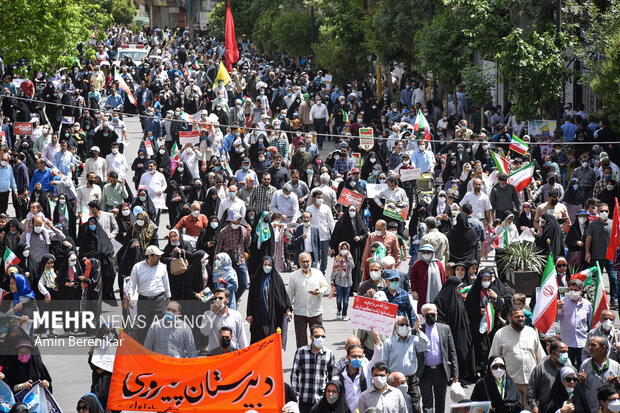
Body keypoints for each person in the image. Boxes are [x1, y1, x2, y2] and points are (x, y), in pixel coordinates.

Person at [490, 308, 546, 406]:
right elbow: (493, 358)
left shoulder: (531, 332)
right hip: (511, 383)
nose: (520, 319)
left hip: (531, 382)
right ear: (510, 319)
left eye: (522, 316)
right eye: (517, 317)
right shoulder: (500, 334)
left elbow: (540, 356)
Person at [382, 316, 430, 413]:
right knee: (395, 405)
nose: (405, 326)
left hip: (411, 379)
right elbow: (384, 361)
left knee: (415, 405)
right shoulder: (389, 342)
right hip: (394, 380)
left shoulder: (414, 339)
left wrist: (418, 330)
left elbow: (426, 345)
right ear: (396, 327)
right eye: (402, 324)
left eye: (407, 324)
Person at [433, 276, 476, 381]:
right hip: (451, 332)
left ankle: (464, 375)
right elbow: (439, 318)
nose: (460, 290)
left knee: (463, 352)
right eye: (458, 287)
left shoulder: (458, 297)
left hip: (462, 330)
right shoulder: (440, 299)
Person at [418, 303, 459, 413]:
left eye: (432, 314)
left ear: (436, 314)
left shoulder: (445, 329)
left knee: (440, 402)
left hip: (441, 371)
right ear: (423, 315)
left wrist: (455, 374)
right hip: (425, 372)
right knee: (427, 403)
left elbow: (452, 352)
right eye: (427, 315)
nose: (430, 316)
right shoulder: (418, 330)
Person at [126, 245, 171, 343]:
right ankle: (143, 350)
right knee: (143, 327)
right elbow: (132, 284)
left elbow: (166, 283)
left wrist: (168, 299)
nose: (159, 257)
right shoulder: (137, 267)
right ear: (150, 256)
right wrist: (130, 298)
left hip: (159, 301)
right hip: (144, 301)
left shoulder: (162, 267)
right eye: (157, 255)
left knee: (160, 326)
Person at [287, 252, 330, 349]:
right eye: (303, 262)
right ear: (299, 262)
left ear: (311, 261)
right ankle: (302, 360)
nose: (306, 264)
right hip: (300, 312)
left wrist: (319, 291)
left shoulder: (317, 273)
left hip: (315, 312)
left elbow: (325, 286)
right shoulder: (294, 276)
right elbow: (290, 294)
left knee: (318, 339)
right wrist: (288, 310)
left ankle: (318, 359)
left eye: (307, 261)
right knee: (301, 341)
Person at [246, 256, 292, 344]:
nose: (267, 267)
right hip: (258, 316)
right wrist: (249, 314)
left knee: (272, 341)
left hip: (273, 316)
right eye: (265, 264)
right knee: (258, 341)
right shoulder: (256, 280)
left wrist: (288, 310)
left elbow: (284, 296)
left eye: (269, 265)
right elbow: (251, 298)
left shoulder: (277, 279)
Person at [291, 325, 335, 413]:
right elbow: (295, 374)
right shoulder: (301, 352)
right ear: (311, 337)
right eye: (317, 336)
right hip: (305, 398)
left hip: (322, 399)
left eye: (323, 336)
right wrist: (295, 394)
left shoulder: (329, 354)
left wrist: (331, 395)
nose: (320, 338)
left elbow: (332, 377)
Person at [337, 331, 383, 412]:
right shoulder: (340, 374)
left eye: (360, 356)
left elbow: (377, 356)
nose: (357, 359)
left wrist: (376, 337)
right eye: (354, 356)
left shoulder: (367, 368)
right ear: (348, 357)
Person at [214, 210, 251, 303]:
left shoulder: (242, 229)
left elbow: (247, 244)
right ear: (230, 221)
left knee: (243, 284)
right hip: (228, 264)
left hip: (240, 260)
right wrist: (215, 261)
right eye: (235, 221)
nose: (237, 223)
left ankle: (235, 298)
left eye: (238, 221)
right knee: (230, 285)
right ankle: (231, 301)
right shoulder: (224, 232)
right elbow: (218, 248)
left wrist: (248, 234)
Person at [585, 202, 617, 307]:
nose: (604, 213)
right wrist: (587, 252)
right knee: (596, 280)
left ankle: (613, 299)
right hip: (596, 257)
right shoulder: (593, 225)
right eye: (602, 211)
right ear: (598, 212)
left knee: (613, 278)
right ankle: (595, 299)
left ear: (609, 212)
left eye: (606, 211)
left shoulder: (614, 224)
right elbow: (588, 239)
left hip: (611, 258)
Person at [330, 205, 368, 290]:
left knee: (355, 266)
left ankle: (354, 287)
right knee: (342, 267)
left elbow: (365, 234)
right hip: (343, 249)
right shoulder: (340, 222)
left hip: (355, 249)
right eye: (350, 210)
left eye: (353, 210)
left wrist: (360, 237)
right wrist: (332, 247)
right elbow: (335, 235)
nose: (352, 212)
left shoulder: (360, 222)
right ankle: (340, 286)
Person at [526, 340, 571, 413]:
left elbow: (574, 389)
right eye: (563, 352)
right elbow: (531, 390)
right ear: (553, 352)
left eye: (567, 352)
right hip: (546, 408)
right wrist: (534, 407)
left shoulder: (569, 368)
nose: (566, 354)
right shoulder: (540, 369)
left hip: (565, 409)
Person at [579, 336, 620, 413]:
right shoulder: (585, 364)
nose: (590, 348)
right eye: (589, 345)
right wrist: (581, 381)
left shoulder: (615, 365)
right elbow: (580, 388)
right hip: (591, 408)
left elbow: (618, 388)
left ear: (603, 348)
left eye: (594, 345)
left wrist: (616, 383)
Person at [558, 279, 592, 367]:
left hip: (582, 342)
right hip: (567, 342)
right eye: (571, 290)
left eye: (576, 290)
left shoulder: (587, 304)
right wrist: (557, 308)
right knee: (567, 368)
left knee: (583, 367)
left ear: (581, 291)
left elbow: (590, 322)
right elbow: (556, 318)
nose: (573, 292)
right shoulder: (562, 302)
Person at [409, 244, 446, 313]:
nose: (426, 254)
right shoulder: (417, 264)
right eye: (424, 252)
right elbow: (413, 279)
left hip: (436, 295)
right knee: (422, 313)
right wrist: (414, 291)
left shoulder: (438, 264)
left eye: (428, 252)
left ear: (432, 253)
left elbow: (443, 280)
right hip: (422, 295)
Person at [305, 190, 335, 275]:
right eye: (318, 197)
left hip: (325, 237)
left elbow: (331, 223)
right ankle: (313, 273)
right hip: (313, 237)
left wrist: (334, 236)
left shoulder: (326, 208)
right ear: (314, 198)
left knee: (324, 258)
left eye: (321, 197)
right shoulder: (309, 209)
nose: (320, 199)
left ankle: (322, 273)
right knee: (314, 256)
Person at [330, 242, 355, 321]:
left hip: (347, 281)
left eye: (345, 249)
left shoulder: (349, 257)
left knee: (346, 299)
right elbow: (334, 269)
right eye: (342, 249)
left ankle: (344, 314)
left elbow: (352, 266)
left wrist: (349, 258)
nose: (344, 250)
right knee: (339, 298)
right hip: (339, 281)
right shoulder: (337, 258)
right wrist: (332, 279)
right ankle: (339, 310)